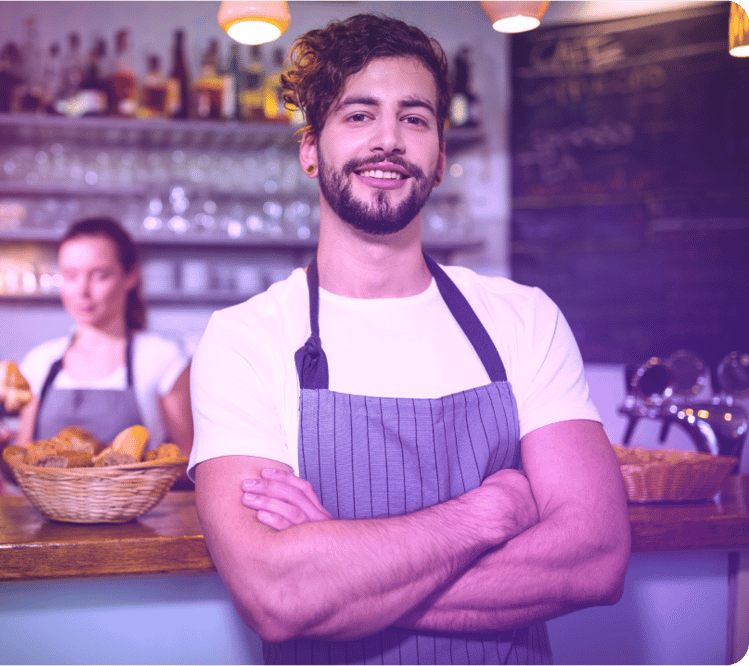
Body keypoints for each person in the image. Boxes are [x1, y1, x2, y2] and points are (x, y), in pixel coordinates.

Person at [189, 13, 631, 666]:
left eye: (416, 118)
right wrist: (490, 513)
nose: (389, 141)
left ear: (442, 156)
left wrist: (339, 567)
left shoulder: (523, 318)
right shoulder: (244, 339)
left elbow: (595, 557)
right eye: (359, 115)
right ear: (310, 149)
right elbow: (276, 597)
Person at [0, 217, 194, 493]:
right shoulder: (40, 362)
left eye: (99, 275)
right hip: (48, 525)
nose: (82, 291)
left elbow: (191, 462)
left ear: (130, 276)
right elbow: (22, 469)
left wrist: (135, 476)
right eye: (71, 275)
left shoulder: (162, 358)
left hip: (133, 522)